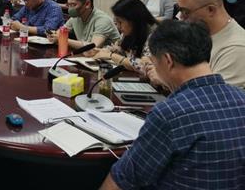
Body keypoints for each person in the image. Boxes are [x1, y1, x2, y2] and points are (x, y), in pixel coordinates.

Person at [100, 21, 245, 190]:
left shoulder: (170, 113)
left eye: (153, 63)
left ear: (168, 60)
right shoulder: (241, 98)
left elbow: (123, 180)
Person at [149, 0, 245, 89]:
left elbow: (214, 96)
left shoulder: (236, 48)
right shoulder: (198, 35)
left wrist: (166, 79)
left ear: (211, 9)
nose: (180, 18)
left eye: (186, 12)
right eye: (180, 11)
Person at [86, 0, 157, 74]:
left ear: (133, 20)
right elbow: (125, 52)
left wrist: (111, 55)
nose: (118, 27)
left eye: (120, 22)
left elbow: (144, 66)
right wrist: (104, 51)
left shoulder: (155, 34)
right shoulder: (130, 32)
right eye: (116, 22)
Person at [49, 0, 120, 49]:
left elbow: (93, 47)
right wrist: (53, 35)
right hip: (87, 56)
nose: (70, 9)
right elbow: (60, 33)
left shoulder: (103, 20)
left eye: (73, 5)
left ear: (87, 4)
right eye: (68, 5)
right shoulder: (75, 17)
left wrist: (63, 39)